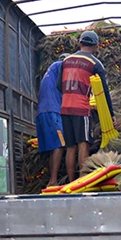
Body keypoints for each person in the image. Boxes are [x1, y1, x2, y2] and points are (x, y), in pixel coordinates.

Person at [60, 30, 114, 180]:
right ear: (96, 46)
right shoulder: (95, 64)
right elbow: (104, 92)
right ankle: (83, 181)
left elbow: (59, 86)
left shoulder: (65, 61)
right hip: (81, 108)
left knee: (70, 147)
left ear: (80, 43)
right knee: (83, 143)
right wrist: (111, 114)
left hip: (64, 107)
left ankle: (72, 182)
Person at [37, 53, 69, 188]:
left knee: (53, 147)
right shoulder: (61, 66)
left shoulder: (50, 72)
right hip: (53, 112)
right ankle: (54, 180)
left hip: (42, 113)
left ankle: (51, 180)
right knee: (60, 145)